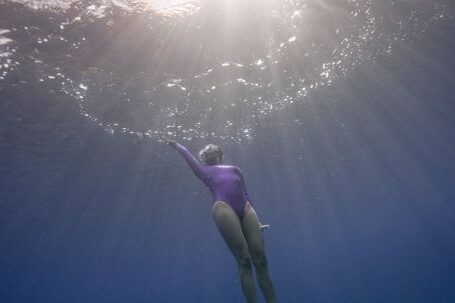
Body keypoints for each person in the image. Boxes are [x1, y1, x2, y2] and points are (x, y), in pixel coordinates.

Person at [168, 141, 277, 303]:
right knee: (244, 260)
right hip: (223, 207)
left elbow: (245, 193)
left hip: (246, 209)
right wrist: (176, 145)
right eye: (205, 149)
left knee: (261, 259)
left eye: (211, 147)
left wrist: (258, 221)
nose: (208, 148)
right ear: (203, 158)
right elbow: (188, 156)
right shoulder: (203, 171)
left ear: (220, 154)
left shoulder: (235, 169)